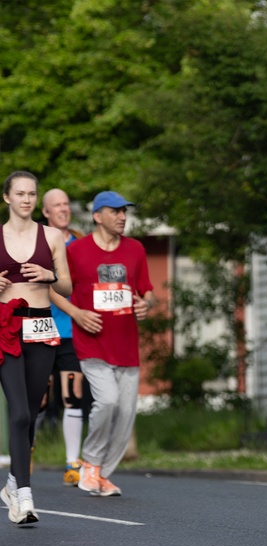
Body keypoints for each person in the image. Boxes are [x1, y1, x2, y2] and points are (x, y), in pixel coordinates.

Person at [67, 191, 154, 498]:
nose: (122, 217)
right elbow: (53, 289)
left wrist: (146, 304)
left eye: (124, 211)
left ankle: (100, 474)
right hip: (92, 343)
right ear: (97, 216)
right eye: (115, 211)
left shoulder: (135, 249)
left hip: (126, 346)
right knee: (108, 401)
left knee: (126, 412)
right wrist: (76, 313)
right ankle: (90, 462)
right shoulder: (76, 251)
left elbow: (147, 291)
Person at [0, 171, 72, 524]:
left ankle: (13, 481)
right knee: (19, 414)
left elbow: (69, 286)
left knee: (30, 411)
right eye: (20, 193)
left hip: (42, 325)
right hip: (7, 328)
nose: (27, 199)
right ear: (7, 198)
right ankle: (24, 497)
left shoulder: (53, 236)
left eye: (32, 194)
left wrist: (49, 276)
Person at [41, 188, 89, 486]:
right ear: (45, 212)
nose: (63, 209)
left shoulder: (82, 244)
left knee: (73, 395)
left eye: (66, 204)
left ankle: (73, 462)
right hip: (40, 328)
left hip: (73, 330)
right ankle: (27, 452)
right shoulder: (35, 243)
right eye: (56, 205)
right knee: (40, 398)